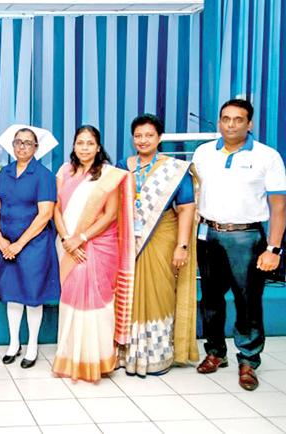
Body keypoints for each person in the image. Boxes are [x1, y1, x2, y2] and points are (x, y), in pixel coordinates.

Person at [191, 99, 285, 391]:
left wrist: (273, 249)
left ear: (250, 124)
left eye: (238, 119)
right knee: (210, 299)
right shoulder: (204, 152)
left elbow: (279, 207)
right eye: (225, 119)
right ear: (219, 122)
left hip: (246, 238)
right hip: (208, 234)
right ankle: (216, 352)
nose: (231, 124)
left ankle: (248, 360)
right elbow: (195, 190)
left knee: (247, 302)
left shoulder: (267, 156)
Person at [116, 114, 199, 377]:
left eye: (149, 135)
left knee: (160, 292)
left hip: (163, 235)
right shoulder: (122, 165)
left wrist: (182, 246)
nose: (143, 140)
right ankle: (128, 354)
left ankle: (157, 356)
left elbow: (186, 208)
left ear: (159, 138)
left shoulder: (174, 169)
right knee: (128, 293)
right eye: (138, 136)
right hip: (128, 237)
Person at [52, 125, 135, 382]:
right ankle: (69, 357)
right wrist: (68, 239)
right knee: (71, 295)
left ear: (98, 147)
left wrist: (82, 238)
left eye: (90, 143)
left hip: (99, 245)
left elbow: (110, 215)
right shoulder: (64, 171)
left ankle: (96, 359)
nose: (85, 148)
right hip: (67, 244)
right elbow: (57, 208)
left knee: (97, 299)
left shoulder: (109, 175)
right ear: (74, 145)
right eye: (80, 142)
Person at [0, 128, 60, 367]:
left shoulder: (43, 175)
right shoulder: (4, 173)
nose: (22, 147)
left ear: (36, 148)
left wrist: (19, 244)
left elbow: (45, 215)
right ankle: (13, 344)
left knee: (32, 296)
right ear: (12, 145)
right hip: (6, 243)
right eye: (18, 143)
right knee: (12, 295)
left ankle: (32, 347)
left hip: (34, 246)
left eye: (28, 143)